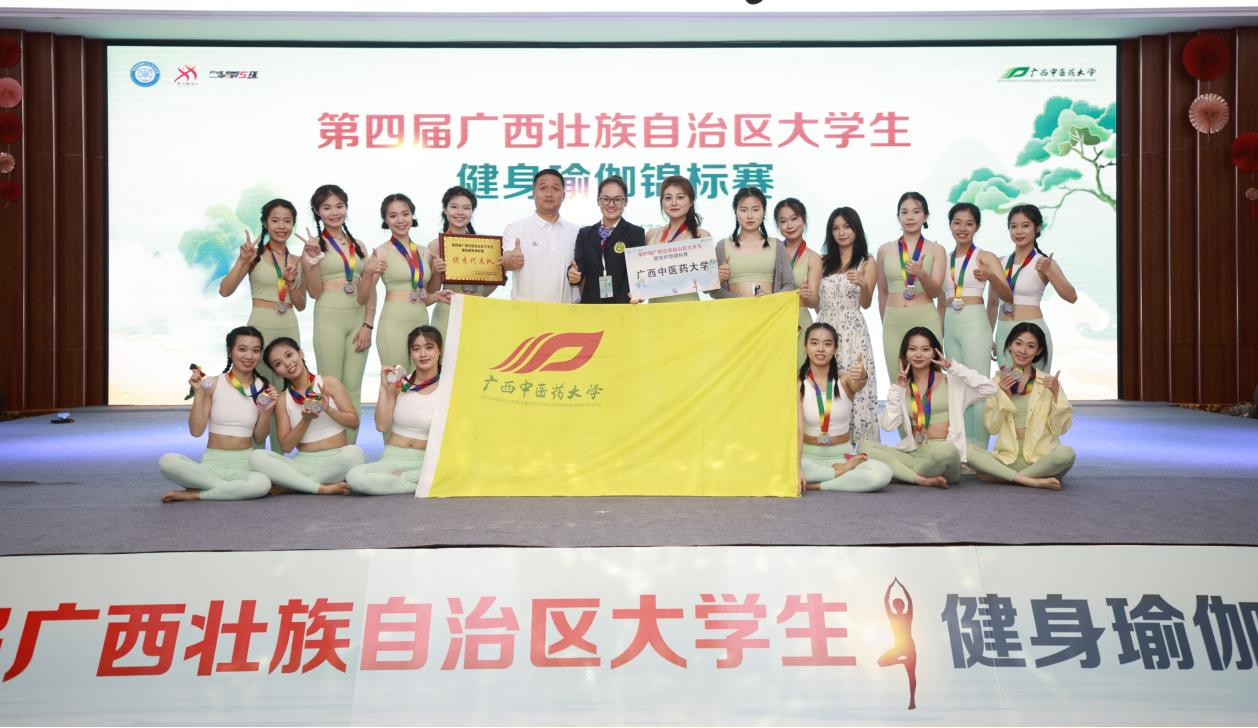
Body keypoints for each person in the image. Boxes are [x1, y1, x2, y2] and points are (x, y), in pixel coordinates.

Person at [216, 198, 305, 452]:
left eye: (287, 221)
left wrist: (291, 284)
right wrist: (241, 260)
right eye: (275, 220)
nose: (281, 226)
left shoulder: (298, 260)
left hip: (289, 327)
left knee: (284, 394)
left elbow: (301, 304)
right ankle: (255, 455)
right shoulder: (253, 256)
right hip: (261, 328)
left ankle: (278, 456)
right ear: (265, 223)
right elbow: (225, 290)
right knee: (260, 391)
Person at [860, 327, 997, 487]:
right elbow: (887, 425)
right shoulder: (901, 387)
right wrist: (897, 388)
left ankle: (903, 475)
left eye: (925, 349)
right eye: (912, 349)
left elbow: (990, 388)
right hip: (914, 454)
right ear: (905, 354)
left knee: (946, 450)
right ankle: (921, 478)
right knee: (863, 446)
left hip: (945, 456)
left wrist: (953, 367)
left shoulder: (952, 382)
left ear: (934, 353)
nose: (918, 354)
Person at [158, 326, 276, 502]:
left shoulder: (264, 389)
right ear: (230, 352)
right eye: (242, 349)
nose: (249, 356)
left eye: (256, 350)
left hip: (244, 465)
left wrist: (266, 412)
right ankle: (230, 489)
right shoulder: (212, 384)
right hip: (211, 465)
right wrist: (199, 392)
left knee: (262, 484)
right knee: (167, 461)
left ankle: (197, 493)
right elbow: (196, 431)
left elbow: (259, 439)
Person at [296, 184, 374, 444]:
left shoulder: (358, 245)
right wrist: (312, 260)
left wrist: (368, 325)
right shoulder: (313, 245)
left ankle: (350, 448)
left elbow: (370, 286)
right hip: (328, 316)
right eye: (327, 207)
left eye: (339, 206)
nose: (334, 212)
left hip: (358, 319)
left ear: (346, 208)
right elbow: (314, 292)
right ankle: (332, 447)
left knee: (353, 387)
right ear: (317, 212)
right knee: (330, 385)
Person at [247, 337, 365, 495]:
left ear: (300, 353)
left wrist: (328, 409)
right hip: (303, 463)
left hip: (336, 458)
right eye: (278, 364)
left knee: (355, 454)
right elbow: (286, 446)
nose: (287, 363)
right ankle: (319, 487)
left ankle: (295, 484)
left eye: (289, 355)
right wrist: (306, 419)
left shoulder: (329, 383)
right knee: (256, 456)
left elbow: (354, 422)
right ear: (276, 372)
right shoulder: (282, 399)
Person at [966, 323, 1075, 490]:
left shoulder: (1048, 382)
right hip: (1007, 459)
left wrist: (1055, 394)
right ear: (1010, 345)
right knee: (967, 451)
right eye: (1018, 343)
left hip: (1041, 460)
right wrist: (1004, 395)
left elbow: (1059, 428)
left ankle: (1006, 477)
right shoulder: (996, 382)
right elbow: (992, 428)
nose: (1023, 351)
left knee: (1066, 454)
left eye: (1030, 346)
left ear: (1038, 350)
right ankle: (1031, 480)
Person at [940, 203, 1012, 445]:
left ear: (977, 227)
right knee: (956, 387)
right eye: (957, 223)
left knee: (978, 385)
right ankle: (962, 446)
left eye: (969, 223)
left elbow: (1007, 295)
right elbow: (940, 303)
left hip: (975, 323)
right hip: (951, 325)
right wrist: (939, 335)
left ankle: (980, 448)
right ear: (950, 225)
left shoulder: (986, 257)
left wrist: (990, 276)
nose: (962, 228)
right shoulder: (944, 259)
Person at [347, 326, 444, 495]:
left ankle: (405, 479)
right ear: (410, 353)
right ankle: (415, 485)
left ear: (439, 350)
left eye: (429, 347)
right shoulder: (400, 384)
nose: (422, 354)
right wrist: (384, 388)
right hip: (392, 457)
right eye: (416, 349)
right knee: (354, 477)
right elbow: (382, 426)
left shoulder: (447, 387)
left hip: (424, 461)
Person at [359, 193, 451, 370]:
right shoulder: (382, 252)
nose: (400, 220)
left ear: (412, 216)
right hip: (394, 324)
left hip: (421, 322)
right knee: (394, 380)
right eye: (393, 216)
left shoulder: (424, 252)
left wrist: (437, 286)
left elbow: (426, 295)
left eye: (405, 214)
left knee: (420, 380)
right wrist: (368, 274)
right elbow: (362, 296)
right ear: (385, 220)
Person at [797, 323, 892, 493]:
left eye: (827, 344)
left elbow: (858, 382)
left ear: (836, 349)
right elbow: (797, 430)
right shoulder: (798, 384)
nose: (820, 349)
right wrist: (797, 467)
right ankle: (838, 473)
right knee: (782, 464)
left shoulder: (844, 381)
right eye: (814, 343)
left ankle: (817, 484)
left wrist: (862, 375)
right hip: (809, 457)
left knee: (882, 473)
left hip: (843, 456)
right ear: (805, 347)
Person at [817, 207, 880, 447]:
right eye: (836, 228)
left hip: (853, 331)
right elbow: (816, 301)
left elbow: (867, 303)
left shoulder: (867, 261)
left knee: (856, 383)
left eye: (846, 227)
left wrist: (863, 283)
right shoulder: (823, 262)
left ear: (856, 229)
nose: (841, 232)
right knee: (827, 384)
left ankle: (863, 448)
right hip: (825, 330)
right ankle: (829, 443)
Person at [992, 203, 1077, 370]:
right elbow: (993, 304)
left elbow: (1072, 296)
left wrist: (1049, 272)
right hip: (1003, 333)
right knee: (1006, 385)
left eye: (1025, 226)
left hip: (1032, 334)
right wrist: (990, 338)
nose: (1018, 231)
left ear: (1037, 228)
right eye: (1013, 226)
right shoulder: (999, 262)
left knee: (1035, 385)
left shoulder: (1044, 263)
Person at [875, 192, 946, 391]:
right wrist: (886, 322)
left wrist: (921, 273)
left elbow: (935, 292)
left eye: (916, 212)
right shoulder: (884, 250)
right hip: (893, 322)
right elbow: (882, 292)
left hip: (925, 319)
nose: (910, 217)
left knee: (930, 382)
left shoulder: (936, 250)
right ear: (898, 216)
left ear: (925, 216)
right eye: (904, 212)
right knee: (898, 383)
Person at [500, 169, 581, 303]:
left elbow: (582, 270)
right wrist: (509, 260)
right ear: (533, 193)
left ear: (563, 195)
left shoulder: (577, 232)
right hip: (525, 311)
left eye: (555, 188)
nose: (549, 194)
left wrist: (578, 274)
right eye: (543, 188)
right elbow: (506, 262)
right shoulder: (515, 228)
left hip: (565, 312)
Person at [427, 186, 496, 341]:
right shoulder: (436, 245)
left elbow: (483, 292)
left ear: (472, 212)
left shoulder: (484, 244)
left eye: (466, 208)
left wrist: (499, 272)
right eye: (454, 207)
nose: (460, 212)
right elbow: (431, 291)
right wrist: (437, 271)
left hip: (477, 311)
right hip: (447, 312)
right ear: (445, 210)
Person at [570, 175, 646, 304]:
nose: (611, 204)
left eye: (617, 199)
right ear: (598, 200)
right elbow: (579, 267)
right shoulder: (585, 234)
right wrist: (573, 273)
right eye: (606, 199)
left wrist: (638, 291)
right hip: (591, 307)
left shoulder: (635, 233)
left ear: (625, 201)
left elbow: (638, 272)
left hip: (624, 306)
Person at [713, 187, 796, 298]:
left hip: (770, 309)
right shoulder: (722, 246)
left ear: (764, 211)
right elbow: (712, 290)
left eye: (755, 210)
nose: (750, 216)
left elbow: (790, 284)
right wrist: (719, 280)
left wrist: (769, 299)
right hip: (734, 309)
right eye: (744, 210)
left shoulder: (777, 245)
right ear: (735, 212)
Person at [643, 175, 714, 303]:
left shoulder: (702, 236)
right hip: (655, 308)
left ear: (691, 202)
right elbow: (642, 279)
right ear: (662, 202)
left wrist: (719, 275)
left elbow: (707, 286)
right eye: (668, 198)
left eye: (680, 197)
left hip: (689, 308)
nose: (674, 203)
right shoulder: (651, 235)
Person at [776, 198, 822, 368]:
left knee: (801, 374)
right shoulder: (772, 251)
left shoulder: (813, 258)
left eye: (794, 218)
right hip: (774, 319)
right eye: (783, 221)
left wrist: (808, 294)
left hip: (800, 321)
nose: (789, 225)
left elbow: (814, 302)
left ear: (803, 219)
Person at [877, 578, 917, 711]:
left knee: (911, 675)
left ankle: (912, 701)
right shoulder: (892, 617)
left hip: (909, 647)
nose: (898, 605)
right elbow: (886, 602)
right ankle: (902, 662)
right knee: (881, 662)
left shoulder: (908, 615)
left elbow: (910, 601)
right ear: (895, 606)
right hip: (899, 647)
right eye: (896, 604)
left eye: (899, 603)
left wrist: (902, 587)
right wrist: (890, 587)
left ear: (902, 606)